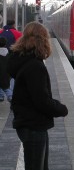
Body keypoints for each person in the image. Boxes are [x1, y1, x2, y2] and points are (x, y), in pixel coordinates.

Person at [7, 21, 68, 170]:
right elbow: (41, 101)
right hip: (34, 125)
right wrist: (61, 109)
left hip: (27, 123)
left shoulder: (23, 60)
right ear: (42, 40)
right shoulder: (35, 66)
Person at [0, 37, 12, 102]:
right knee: (6, 86)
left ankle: (1, 96)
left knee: (1, 86)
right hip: (7, 74)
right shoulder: (9, 54)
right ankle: (9, 96)